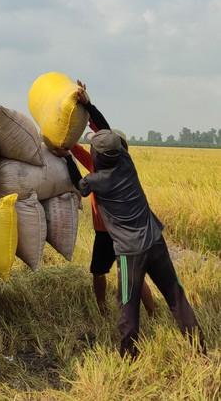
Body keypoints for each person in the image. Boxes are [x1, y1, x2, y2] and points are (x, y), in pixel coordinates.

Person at [62, 88, 205, 358]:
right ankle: (200, 348)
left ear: (98, 157)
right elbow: (106, 131)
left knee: (127, 305)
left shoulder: (96, 180)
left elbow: (77, 183)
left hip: (130, 252)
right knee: (176, 296)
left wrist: (65, 156)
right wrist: (89, 106)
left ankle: (129, 357)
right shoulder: (126, 162)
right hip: (156, 240)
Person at [69, 83, 155, 317]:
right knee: (105, 271)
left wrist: (66, 155)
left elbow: (81, 185)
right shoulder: (106, 163)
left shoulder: (112, 166)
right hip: (112, 231)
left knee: (117, 273)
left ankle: (146, 311)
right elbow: (78, 148)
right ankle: (112, 309)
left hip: (114, 231)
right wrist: (68, 143)